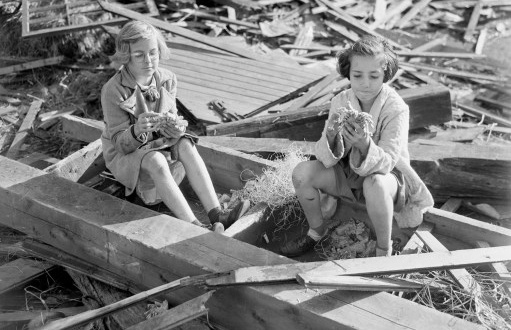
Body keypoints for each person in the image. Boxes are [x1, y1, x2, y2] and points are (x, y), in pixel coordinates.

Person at [280, 35, 434, 257]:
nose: (365, 83)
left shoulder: (396, 108)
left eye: (374, 76)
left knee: (376, 184)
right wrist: (332, 137)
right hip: (347, 174)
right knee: (302, 173)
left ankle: (384, 248)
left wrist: (365, 145)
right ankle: (316, 231)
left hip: (387, 180)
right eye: (357, 75)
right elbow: (325, 156)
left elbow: (389, 162)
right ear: (348, 73)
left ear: (386, 74)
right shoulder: (341, 102)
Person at [100, 20, 249, 232]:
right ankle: (195, 226)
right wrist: (136, 130)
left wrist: (175, 128)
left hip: (157, 143)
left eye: (153, 52)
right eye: (139, 55)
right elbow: (120, 145)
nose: (149, 60)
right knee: (157, 160)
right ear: (126, 55)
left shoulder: (168, 79)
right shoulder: (113, 90)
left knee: (186, 142)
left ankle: (218, 214)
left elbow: (171, 120)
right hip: (126, 155)